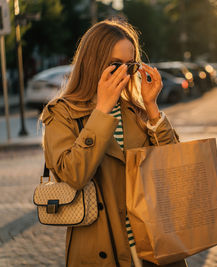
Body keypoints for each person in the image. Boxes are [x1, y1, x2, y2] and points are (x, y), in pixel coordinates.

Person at [40, 19, 186, 267]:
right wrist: (102, 111)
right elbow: (73, 176)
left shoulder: (135, 110)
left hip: (153, 247)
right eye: (115, 65)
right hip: (101, 249)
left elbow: (173, 167)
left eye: (130, 66)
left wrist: (152, 108)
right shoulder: (62, 113)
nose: (124, 73)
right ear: (93, 64)